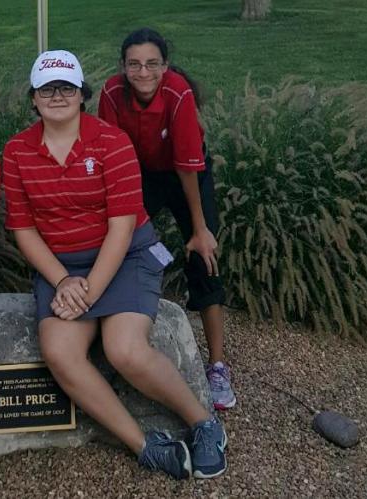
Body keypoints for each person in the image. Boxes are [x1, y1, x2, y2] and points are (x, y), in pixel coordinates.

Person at [3, 50, 227, 480]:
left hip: (123, 256)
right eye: (46, 89)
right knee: (59, 352)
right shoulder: (17, 151)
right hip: (60, 265)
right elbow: (24, 229)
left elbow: (121, 227)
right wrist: (63, 280)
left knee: (123, 349)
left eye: (66, 87)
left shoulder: (110, 141)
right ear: (33, 98)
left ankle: (204, 423)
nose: (56, 95)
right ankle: (144, 446)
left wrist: (85, 290)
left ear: (82, 94)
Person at [98, 28, 236, 410]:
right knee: (116, 243)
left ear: (165, 65)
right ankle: (114, 340)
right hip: (138, 173)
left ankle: (218, 366)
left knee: (203, 256)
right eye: (134, 64)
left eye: (152, 64)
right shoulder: (112, 93)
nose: (143, 72)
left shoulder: (177, 92)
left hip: (186, 176)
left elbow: (187, 163)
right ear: (123, 66)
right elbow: (109, 150)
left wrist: (200, 228)